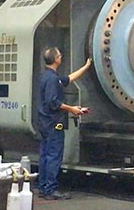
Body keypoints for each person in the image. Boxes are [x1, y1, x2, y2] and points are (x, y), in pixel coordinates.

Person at [37, 47, 91, 200]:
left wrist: (86, 67)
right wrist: (72, 109)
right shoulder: (53, 79)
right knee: (54, 156)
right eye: (60, 55)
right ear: (55, 59)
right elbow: (53, 102)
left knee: (45, 156)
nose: (61, 57)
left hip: (44, 122)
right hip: (54, 123)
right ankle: (51, 189)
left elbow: (68, 79)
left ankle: (43, 187)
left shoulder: (47, 76)